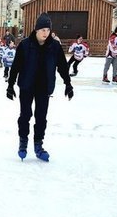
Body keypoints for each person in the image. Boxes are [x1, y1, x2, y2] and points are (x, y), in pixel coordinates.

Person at [6, 13, 73, 162]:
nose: (45, 33)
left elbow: (62, 67)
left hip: (44, 88)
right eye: (42, 30)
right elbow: (15, 67)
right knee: (25, 115)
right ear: (36, 30)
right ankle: (23, 143)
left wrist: (68, 84)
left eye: (48, 30)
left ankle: (38, 145)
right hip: (26, 86)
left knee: (41, 117)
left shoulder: (54, 46)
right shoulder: (25, 45)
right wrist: (10, 86)